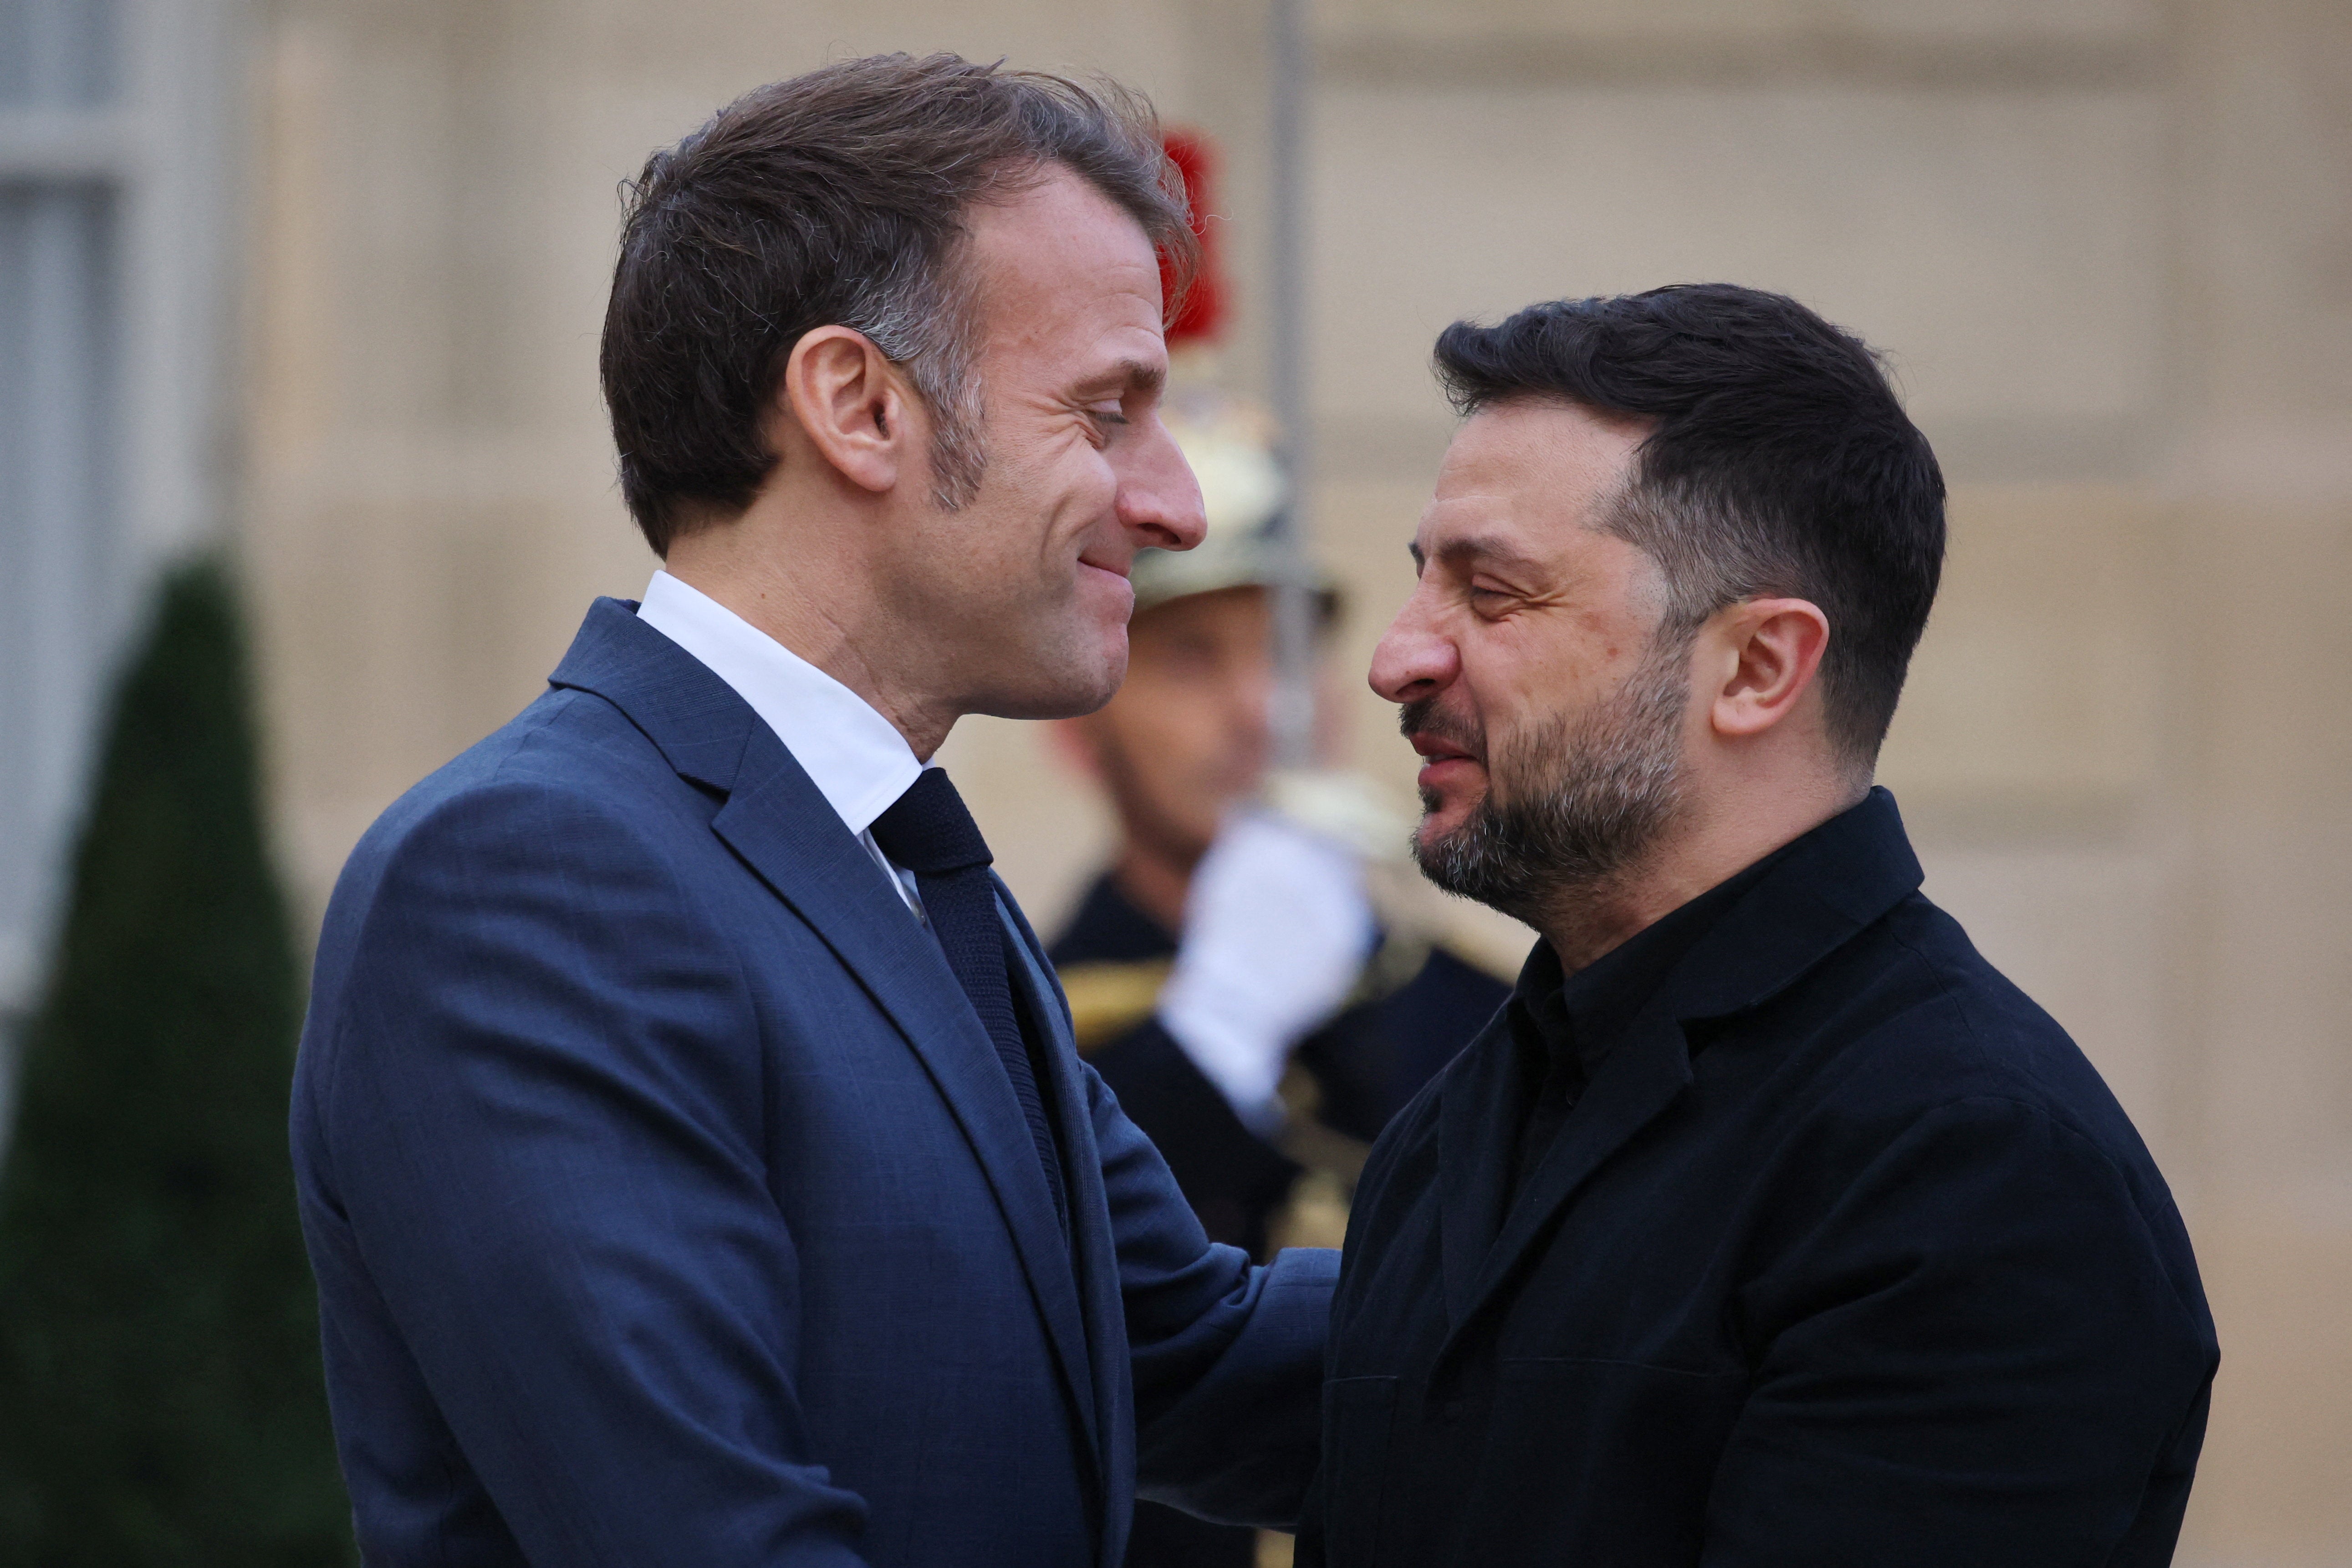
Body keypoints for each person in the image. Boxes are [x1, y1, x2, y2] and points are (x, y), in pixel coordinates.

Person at [290, 56, 1338, 1568]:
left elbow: (1200, 1359)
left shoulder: (890, 865)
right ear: (857, 406)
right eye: (1107, 412)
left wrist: (1728, 1241)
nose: (1170, 502)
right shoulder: (533, 878)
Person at [1298, 285, 2218, 1567]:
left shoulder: (1967, 1170)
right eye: (1420, 584)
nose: (1396, 657)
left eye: (1491, 594)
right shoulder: (1468, 1113)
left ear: (1755, 668)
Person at [1050, 524, 1511, 1568]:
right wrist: (1213, 1036)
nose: (1261, 709)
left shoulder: (1483, 1014)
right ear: (1079, 729)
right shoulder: (1029, 1020)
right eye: (1190, 659)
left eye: (1290, 654)